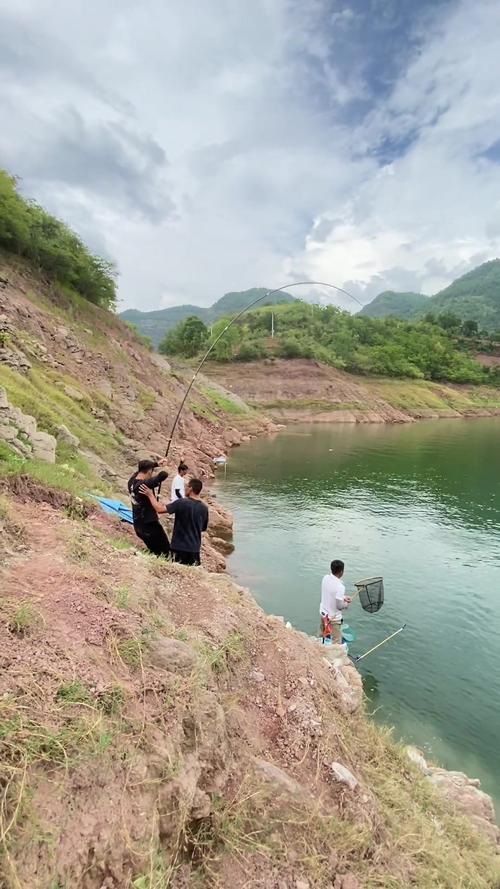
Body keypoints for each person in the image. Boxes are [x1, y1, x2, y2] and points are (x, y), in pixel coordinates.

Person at [139, 477, 208, 566]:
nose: (185, 489)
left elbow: (159, 509)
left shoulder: (181, 503)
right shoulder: (204, 508)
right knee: (192, 576)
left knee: (178, 573)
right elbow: (203, 528)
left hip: (179, 547)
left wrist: (150, 495)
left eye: (186, 487)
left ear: (190, 488)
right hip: (194, 550)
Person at [127, 459, 170, 557]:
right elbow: (162, 476)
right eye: (151, 471)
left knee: (155, 550)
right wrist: (166, 468)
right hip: (150, 525)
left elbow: (139, 472)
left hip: (138, 525)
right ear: (150, 471)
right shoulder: (143, 486)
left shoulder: (132, 481)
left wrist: (156, 464)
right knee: (165, 551)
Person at [319, 559, 352, 644]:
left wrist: (343, 597)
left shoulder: (325, 578)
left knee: (322, 634)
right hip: (333, 619)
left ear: (331, 569)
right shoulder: (340, 586)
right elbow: (339, 606)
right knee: (336, 641)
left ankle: (318, 649)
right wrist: (346, 604)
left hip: (323, 614)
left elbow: (330, 592)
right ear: (341, 572)